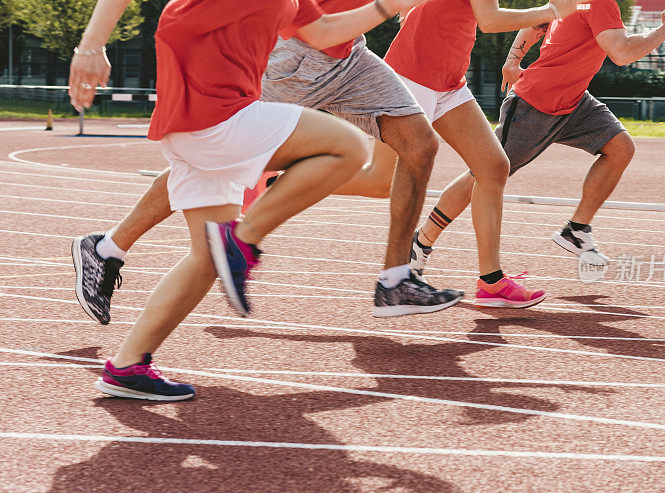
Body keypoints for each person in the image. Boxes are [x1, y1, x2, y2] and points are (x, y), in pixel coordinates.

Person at [70, 0, 435, 401]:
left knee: (206, 259)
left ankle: (127, 366)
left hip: (203, 123)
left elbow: (325, 31)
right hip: (214, 116)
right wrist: (91, 46)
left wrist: (388, 5)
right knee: (348, 148)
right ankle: (243, 239)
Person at [410, 1, 665, 281]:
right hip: (535, 104)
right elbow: (622, 52)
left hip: (574, 102)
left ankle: (576, 230)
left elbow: (541, 20)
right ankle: (421, 241)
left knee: (620, 147)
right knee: (484, 173)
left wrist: (513, 60)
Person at [375, 0, 583, 309]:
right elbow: (489, 19)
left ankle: (492, 282)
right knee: (377, 181)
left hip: (448, 80)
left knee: (493, 166)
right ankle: (290, 176)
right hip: (412, 74)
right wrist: (552, 11)